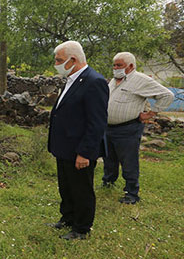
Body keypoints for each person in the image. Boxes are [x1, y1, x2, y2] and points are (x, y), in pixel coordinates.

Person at [47, 41, 109, 240]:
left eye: (59, 60)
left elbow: (97, 122)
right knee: (66, 186)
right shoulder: (72, 79)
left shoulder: (94, 81)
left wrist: (85, 152)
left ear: (73, 60)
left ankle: (81, 228)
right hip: (65, 146)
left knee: (81, 189)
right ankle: (68, 218)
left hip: (79, 148)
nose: (56, 64)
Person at [102, 52, 174, 204]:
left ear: (130, 66)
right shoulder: (115, 81)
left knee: (129, 161)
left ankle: (131, 193)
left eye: (119, 65)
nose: (115, 68)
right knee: (109, 157)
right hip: (108, 128)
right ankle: (108, 182)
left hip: (128, 128)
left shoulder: (140, 80)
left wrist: (151, 113)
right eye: (114, 65)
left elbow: (167, 95)